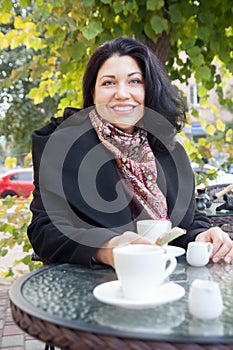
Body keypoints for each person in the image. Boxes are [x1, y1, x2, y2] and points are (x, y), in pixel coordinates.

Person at [27, 37, 233, 268]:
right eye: (108, 83)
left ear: (149, 90)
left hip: (168, 282)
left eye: (135, 81)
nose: (122, 93)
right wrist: (107, 247)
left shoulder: (170, 152)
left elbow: (189, 219)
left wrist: (201, 235)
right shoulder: (62, 147)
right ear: (93, 93)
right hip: (91, 288)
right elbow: (44, 231)